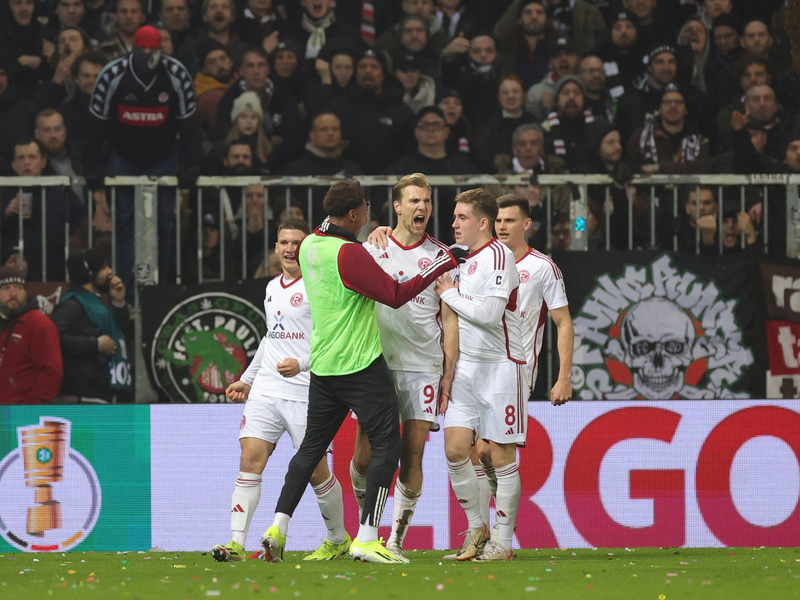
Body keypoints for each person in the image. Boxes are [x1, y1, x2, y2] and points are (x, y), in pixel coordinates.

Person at [260, 179, 465, 564]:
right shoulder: (352, 254)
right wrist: (444, 261)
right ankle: (368, 536)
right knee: (387, 449)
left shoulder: (310, 245)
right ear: (355, 214)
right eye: (365, 212)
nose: (369, 217)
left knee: (309, 450)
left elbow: (336, 234)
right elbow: (394, 294)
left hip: (323, 367)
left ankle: (278, 526)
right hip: (362, 365)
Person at [216, 219, 350, 563]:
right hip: (266, 390)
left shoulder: (321, 288)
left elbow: (334, 340)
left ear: (308, 247)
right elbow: (270, 337)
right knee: (250, 459)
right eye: (284, 242)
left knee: (317, 472)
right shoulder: (272, 287)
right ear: (276, 248)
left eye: (297, 242)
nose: (290, 249)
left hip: (307, 392)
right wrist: (247, 378)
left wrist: (301, 365)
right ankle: (235, 543)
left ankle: (338, 538)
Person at [353, 173, 460, 560]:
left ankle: (394, 540)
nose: (422, 208)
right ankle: (366, 530)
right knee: (364, 457)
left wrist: (447, 374)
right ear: (396, 206)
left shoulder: (442, 256)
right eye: (414, 201)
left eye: (427, 201)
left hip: (423, 366)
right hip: (376, 364)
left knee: (411, 453)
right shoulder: (374, 246)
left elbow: (451, 319)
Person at [470, 193, 572, 539]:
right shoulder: (479, 261)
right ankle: (491, 529)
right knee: (474, 452)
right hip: (477, 367)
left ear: (526, 224)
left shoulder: (542, 267)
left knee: (489, 448)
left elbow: (564, 323)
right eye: (498, 220)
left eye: (510, 220)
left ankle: (496, 531)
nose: (502, 226)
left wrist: (563, 378)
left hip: (516, 369)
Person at [434, 188, 524, 562]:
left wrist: (450, 294)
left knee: (501, 457)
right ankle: (476, 529)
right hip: (467, 369)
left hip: (501, 367)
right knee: (455, 450)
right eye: (454, 217)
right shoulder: (461, 260)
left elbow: (488, 315)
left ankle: (502, 543)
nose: (454, 223)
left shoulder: (499, 255)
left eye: (462, 217)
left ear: (483, 222)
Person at [85, 25, 202, 296]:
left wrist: (191, 165)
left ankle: (160, 290)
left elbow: (190, 125)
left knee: (166, 224)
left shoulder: (177, 75)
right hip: (121, 157)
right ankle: (125, 290)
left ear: (162, 49)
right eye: (143, 50)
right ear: (133, 49)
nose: (148, 55)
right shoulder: (112, 75)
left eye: (153, 50)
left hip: (162, 157)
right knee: (123, 223)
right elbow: (94, 127)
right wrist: (93, 173)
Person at [51, 249, 132, 403]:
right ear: (89, 274)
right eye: (103, 268)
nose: (110, 272)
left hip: (96, 391)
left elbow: (118, 334)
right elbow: (57, 339)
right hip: (80, 395)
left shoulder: (94, 303)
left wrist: (118, 302)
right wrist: (97, 344)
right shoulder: (72, 305)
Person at [1, 139, 86, 282]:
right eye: (21, 158)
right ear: (13, 165)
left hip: (56, 270)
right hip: (13, 275)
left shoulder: (61, 191)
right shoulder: (3, 192)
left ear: (43, 162)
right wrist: (6, 213)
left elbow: (80, 223)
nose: (26, 162)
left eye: (32, 157)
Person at [329, 49, 417, 174]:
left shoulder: (401, 111)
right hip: (348, 181)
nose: (368, 71)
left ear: (384, 73)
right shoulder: (339, 107)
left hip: (389, 183)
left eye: (374, 67)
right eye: (362, 67)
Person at [282, 112, 363, 224]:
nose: (330, 133)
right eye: (323, 129)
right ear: (312, 135)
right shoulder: (295, 171)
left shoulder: (353, 170)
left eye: (334, 129)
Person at [0, 266, 63, 404]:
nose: (13, 293)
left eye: (18, 287)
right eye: (6, 288)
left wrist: (30, 407)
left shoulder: (39, 324)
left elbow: (52, 372)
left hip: (22, 414)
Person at [627, 85, 710, 175]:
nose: (673, 106)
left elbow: (702, 167)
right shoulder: (640, 137)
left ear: (686, 109)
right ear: (659, 109)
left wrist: (659, 168)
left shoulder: (700, 140)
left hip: (688, 190)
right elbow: (630, 167)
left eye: (678, 102)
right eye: (667, 102)